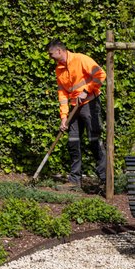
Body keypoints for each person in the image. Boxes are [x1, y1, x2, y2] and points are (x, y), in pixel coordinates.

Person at [46, 39, 106, 192]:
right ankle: (74, 181)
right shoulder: (58, 69)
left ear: (59, 51)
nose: (50, 57)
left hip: (89, 104)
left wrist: (86, 89)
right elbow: (63, 94)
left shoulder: (81, 59)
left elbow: (100, 74)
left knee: (94, 141)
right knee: (73, 142)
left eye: (51, 54)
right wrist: (64, 117)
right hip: (74, 107)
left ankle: (105, 179)